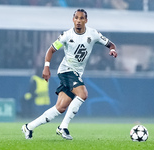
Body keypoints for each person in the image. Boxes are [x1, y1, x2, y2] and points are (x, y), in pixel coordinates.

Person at [22, 8, 117, 140]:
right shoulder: (66, 35)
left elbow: (110, 44)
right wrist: (46, 67)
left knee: (60, 108)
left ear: (86, 20)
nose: (78, 21)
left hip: (77, 73)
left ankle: (29, 127)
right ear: (73, 20)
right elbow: (50, 50)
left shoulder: (93, 34)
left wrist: (112, 49)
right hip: (66, 71)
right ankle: (63, 127)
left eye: (81, 18)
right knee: (83, 94)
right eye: (76, 18)